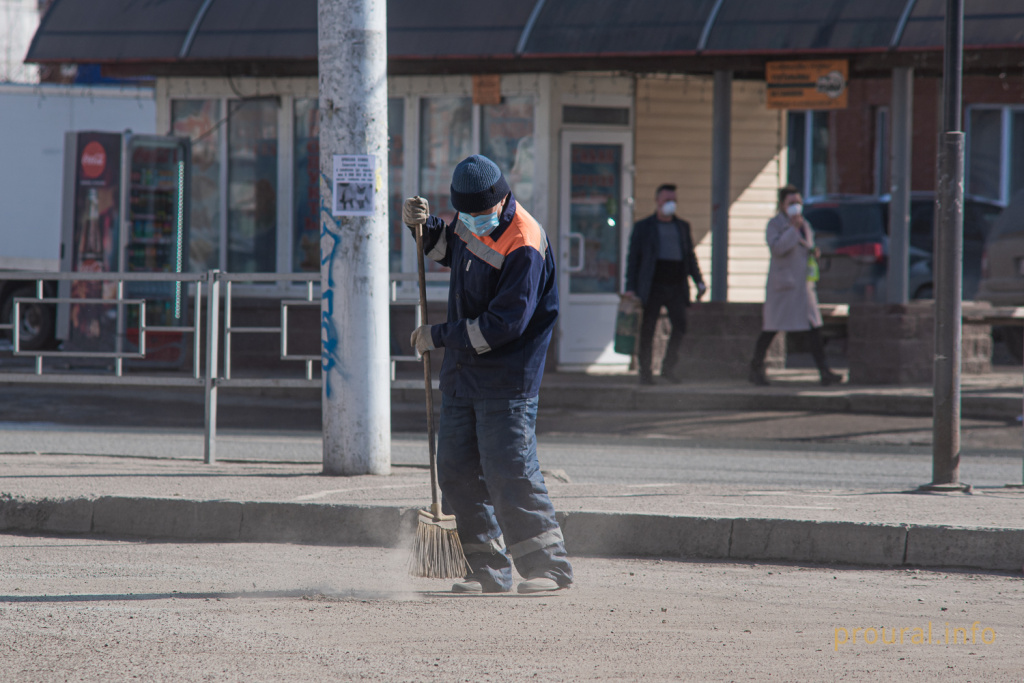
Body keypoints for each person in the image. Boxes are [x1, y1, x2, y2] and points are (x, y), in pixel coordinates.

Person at [402, 154, 573, 595]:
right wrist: (423, 229)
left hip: (507, 378)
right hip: (463, 374)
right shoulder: (468, 220)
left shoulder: (525, 242)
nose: (472, 222)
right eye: (464, 215)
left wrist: (438, 336)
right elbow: (452, 250)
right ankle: (485, 568)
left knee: (509, 470)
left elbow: (505, 325)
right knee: (456, 469)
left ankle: (547, 568)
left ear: (500, 201)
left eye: (479, 214)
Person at [749, 185, 842, 386]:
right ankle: (755, 367)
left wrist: (813, 251)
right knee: (772, 328)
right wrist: (792, 229)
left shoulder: (805, 225)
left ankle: (824, 371)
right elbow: (778, 248)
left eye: (798, 203)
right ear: (782, 205)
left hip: (803, 286)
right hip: (784, 286)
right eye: (791, 203)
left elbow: (806, 245)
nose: (795, 207)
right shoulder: (775, 225)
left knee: (814, 328)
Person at [625, 184, 706, 385]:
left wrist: (699, 281)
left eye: (674, 201)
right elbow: (633, 259)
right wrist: (631, 287)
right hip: (653, 285)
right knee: (648, 329)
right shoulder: (644, 227)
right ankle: (646, 372)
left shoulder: (682, 226)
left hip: (677, 284)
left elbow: (690, 257)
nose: (671, 204)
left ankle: (668, 367)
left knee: (680, 325)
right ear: (657, 201)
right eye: (667, 200)